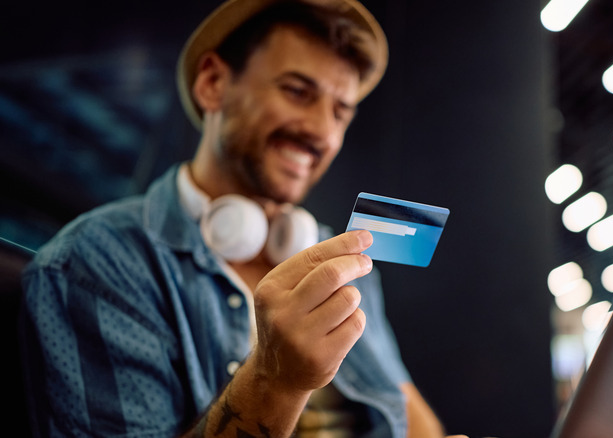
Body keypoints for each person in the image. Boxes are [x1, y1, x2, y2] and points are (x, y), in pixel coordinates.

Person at [19, 0, 467, 436]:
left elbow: (409, 416)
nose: (322, 132)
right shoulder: (95, 263)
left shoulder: (339, 255)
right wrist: (278, 378)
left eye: (339, 111)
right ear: (212, 82)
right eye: (297, 91)